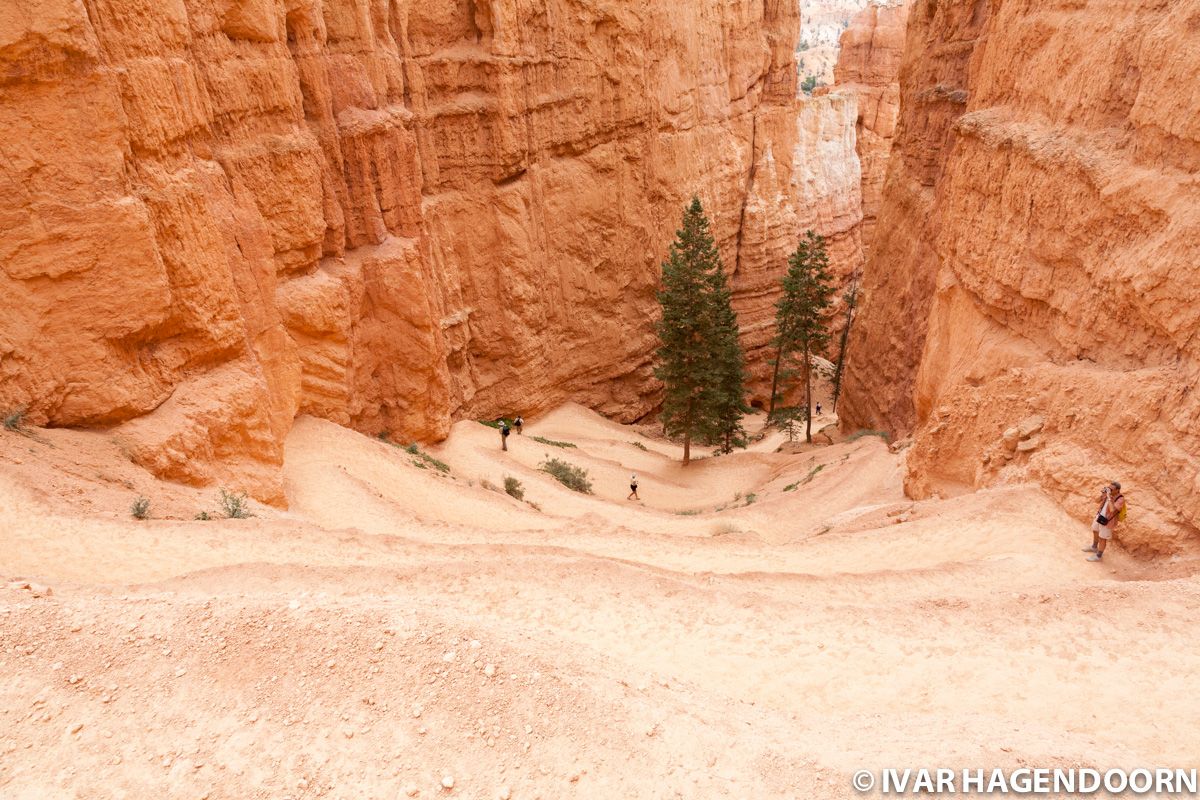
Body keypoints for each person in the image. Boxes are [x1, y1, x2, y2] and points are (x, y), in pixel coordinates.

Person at [1084, 481, 1125, 561]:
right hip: (1099, 516)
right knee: (1095, 530)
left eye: (1112, 489)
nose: (1110, 490)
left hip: (1108, 521)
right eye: (1109, 488)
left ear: (1117, 490)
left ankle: (1099, 556)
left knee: (1102, 538)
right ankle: (1094, 547)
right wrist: (1102, 494)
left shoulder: (1120, 499)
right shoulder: (1108, 494)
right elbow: (1096, 501)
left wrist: (1109, 497)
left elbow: (1112, 510)